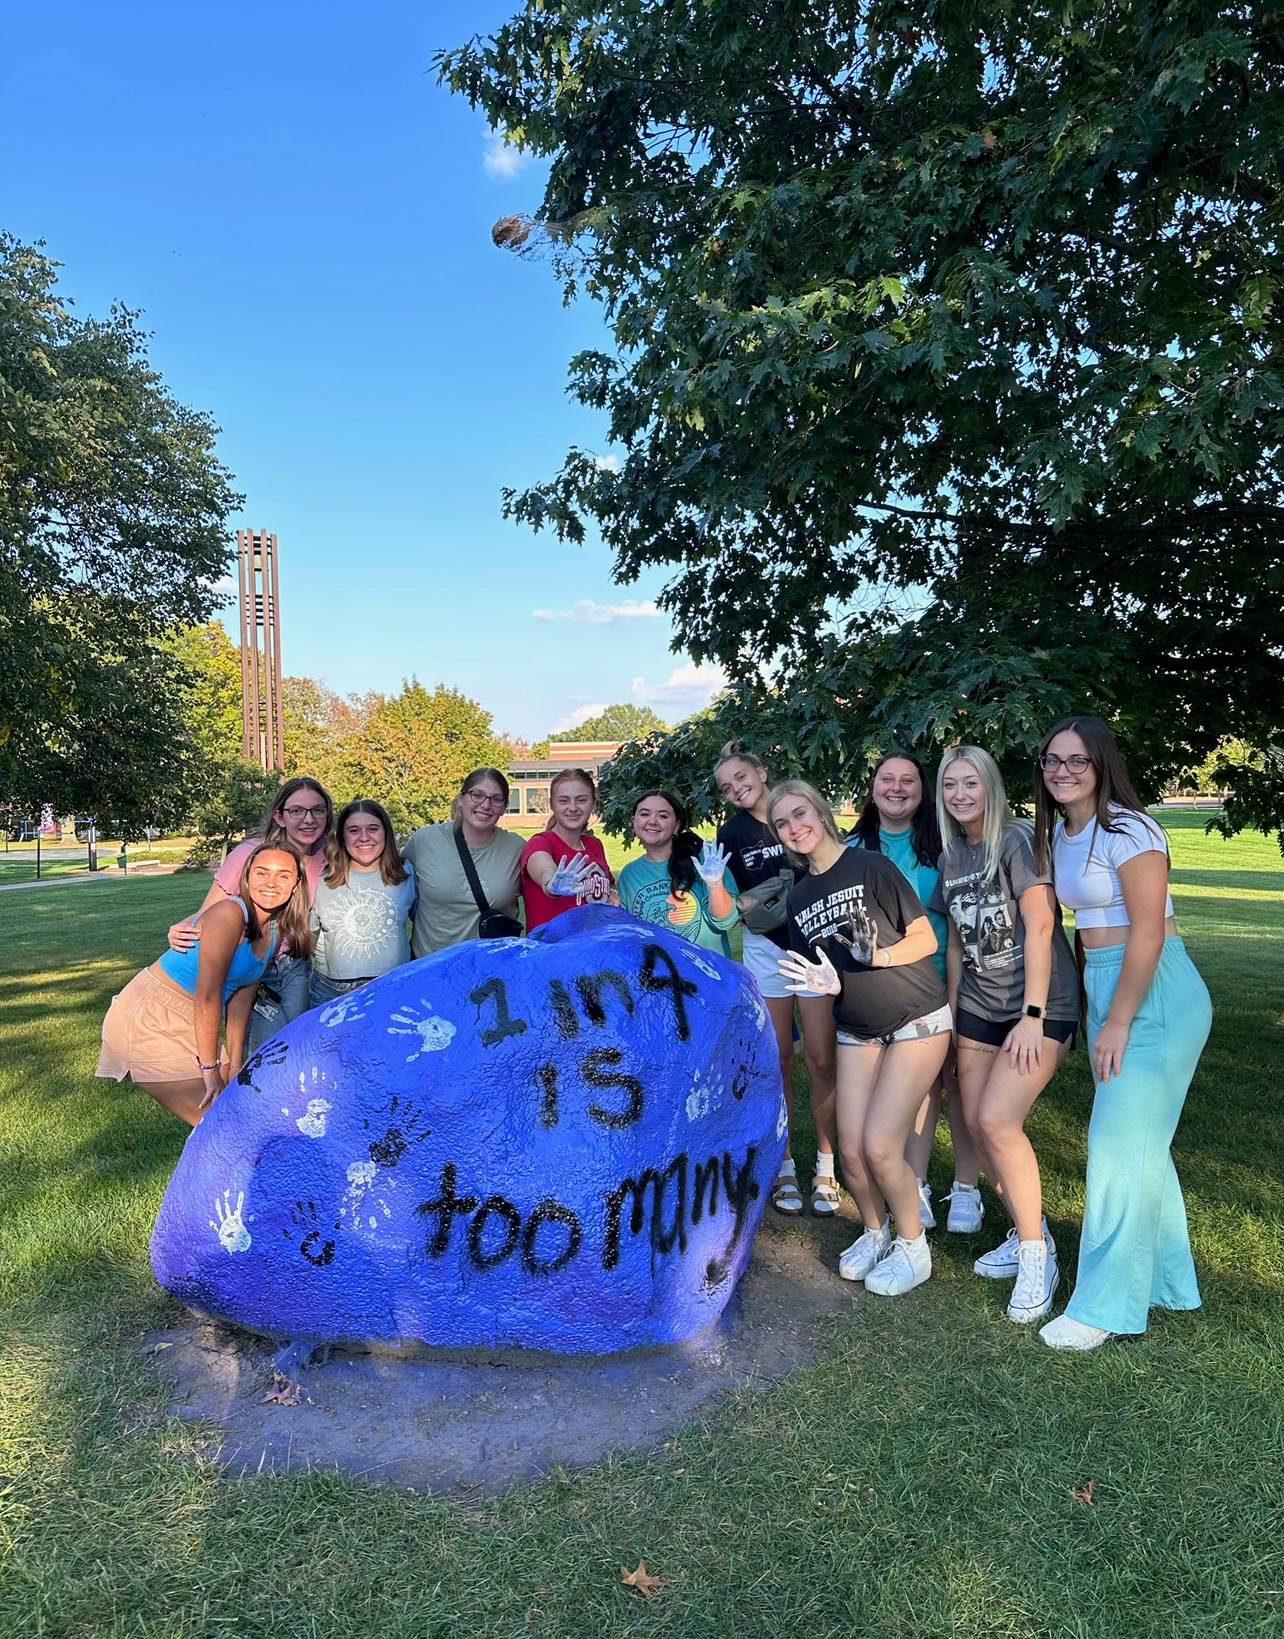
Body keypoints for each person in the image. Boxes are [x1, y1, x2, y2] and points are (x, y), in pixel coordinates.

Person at [1033, 715, 1211, 1351]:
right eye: (1053, 760)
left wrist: (1119, 1018)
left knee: (1114, 1146)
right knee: (1142, 1144)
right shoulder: (1062, 832)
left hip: (1154, 989)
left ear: (1102, 763)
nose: (1063, 771)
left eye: (1077, 760)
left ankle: (1104, 1306)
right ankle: (1168, 1282)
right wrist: (1092, 1005)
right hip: (1111, 985)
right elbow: (1084, 934)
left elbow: (1149, 932)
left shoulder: (1131, 829)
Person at [771, 780, 950, 1297]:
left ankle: (914, 1248)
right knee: (849, 1149)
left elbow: (926, 937)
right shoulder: (799, 896)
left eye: (800, 813)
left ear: (822, 813)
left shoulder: (872, 867)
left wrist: (879, 957)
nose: (793, 828)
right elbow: (822, 971)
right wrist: (831, 983)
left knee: (879, 1145)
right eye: (782, 823)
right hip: (857, 1027)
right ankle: (877, 1233)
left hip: (917, 1016)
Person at [934, 745, 1081, 1324]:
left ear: (990, 787)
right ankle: (1031, 1227)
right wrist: (949, 1020)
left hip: (1039, 1005)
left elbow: (1041, 924)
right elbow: (954, 944)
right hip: (976, 1004)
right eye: (950, 786)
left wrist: (1033, 1014)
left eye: (971, 783)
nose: (960, 795)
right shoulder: (951, 856)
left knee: (997, 1121)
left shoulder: (1016, 839)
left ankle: (1035, 1258)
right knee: (973, 1122)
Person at [848, 751, 983, 1233]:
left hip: (951, 979)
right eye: (888, 779)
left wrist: (952, 993)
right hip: (884, 989)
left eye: (909, 780)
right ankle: (918, 1183)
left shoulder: (944, 846)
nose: (898, 788)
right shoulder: (851, 848)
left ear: (923, 792)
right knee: (917, 1089)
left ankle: (967, 1189)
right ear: (873, 787)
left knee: (960, 1083)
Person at [98, 842, 310, 1125]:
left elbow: (242, 998)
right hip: (152, 1015)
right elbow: (209, 997)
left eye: (283, 875)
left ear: (296, 885)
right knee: (220, 1125)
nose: (271, 883)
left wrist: (236, 1066)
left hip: (197, 1019)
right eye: (262, 873)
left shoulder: (275, 929)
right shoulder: (229, 914)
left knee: (236, 1110)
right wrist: (209, 1067)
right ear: (246, 878)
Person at [715, 745, 840, 1219]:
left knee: (821, 1058)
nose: (736, 789)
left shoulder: (795, 810)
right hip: (768, 950)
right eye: (727, 787)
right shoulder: (732, 832)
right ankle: (784, 1163)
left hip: (816, 946)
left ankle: (826, 1166)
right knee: (780, 1059)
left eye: (742, 776)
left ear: (762, 771)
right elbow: (730, 905)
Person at [167, 777, 334, 1051]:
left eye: (318, 810)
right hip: (252, 966)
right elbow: (209, 912)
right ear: (280, 816)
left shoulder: (327, 853)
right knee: (265, 1052)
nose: (308, 819)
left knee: (295, 1045)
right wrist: (180, 929)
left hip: (294, 964)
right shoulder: (249, 854)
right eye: (297, 811)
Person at [402, 768, 525, 956]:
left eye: (496, 799)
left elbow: (544, 893)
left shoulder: (518, 848)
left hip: (491, 969)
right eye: (477, 795)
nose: (486, 805)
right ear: (461, 799)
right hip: (431, 967)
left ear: (504, 807)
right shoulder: (425, 841)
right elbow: (392, 880)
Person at [309, 800, 418, 1008]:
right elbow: (306, 931)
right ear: (342, 837)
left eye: (373, 829)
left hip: (392, 985)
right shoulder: (322, 878)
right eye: (354, 830)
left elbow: (423, 923)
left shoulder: (406, 874)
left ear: (386, 832)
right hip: (331, 991)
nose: (364, 837)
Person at [617, 789, 738, 955]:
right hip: (658, 975)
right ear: (634, 821)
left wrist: (715, 884)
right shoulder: (629, 875)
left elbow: (726, 922)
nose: (652, 821)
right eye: (644, 814)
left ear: (677, 826)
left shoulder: (704, 861)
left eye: (663, 816)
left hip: (708, 974)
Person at [520, 768, 617, 932]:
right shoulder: (540, 843)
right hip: (554, 951)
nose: (572, 808)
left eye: (581, 800)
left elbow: (609, 882)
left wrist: (613, 894)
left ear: (593, 803)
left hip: (593, 949)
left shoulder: (594, 844)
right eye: (564, 801)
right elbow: (545, 872)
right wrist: (552, 886)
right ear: (552, 804)